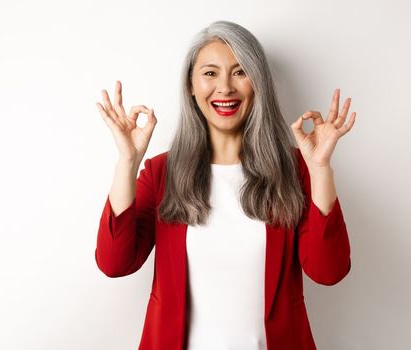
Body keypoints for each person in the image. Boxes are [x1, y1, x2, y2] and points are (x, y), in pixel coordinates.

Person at [94, 21, 355, 350]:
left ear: (258, 83)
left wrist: (319, 169)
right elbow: (115, 263)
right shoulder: (162, 173)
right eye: (210, 73)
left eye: (240, 72)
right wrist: (127, 163)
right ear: (190, 84)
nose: (225, 88)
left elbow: (328, 271)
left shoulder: (294, 170)